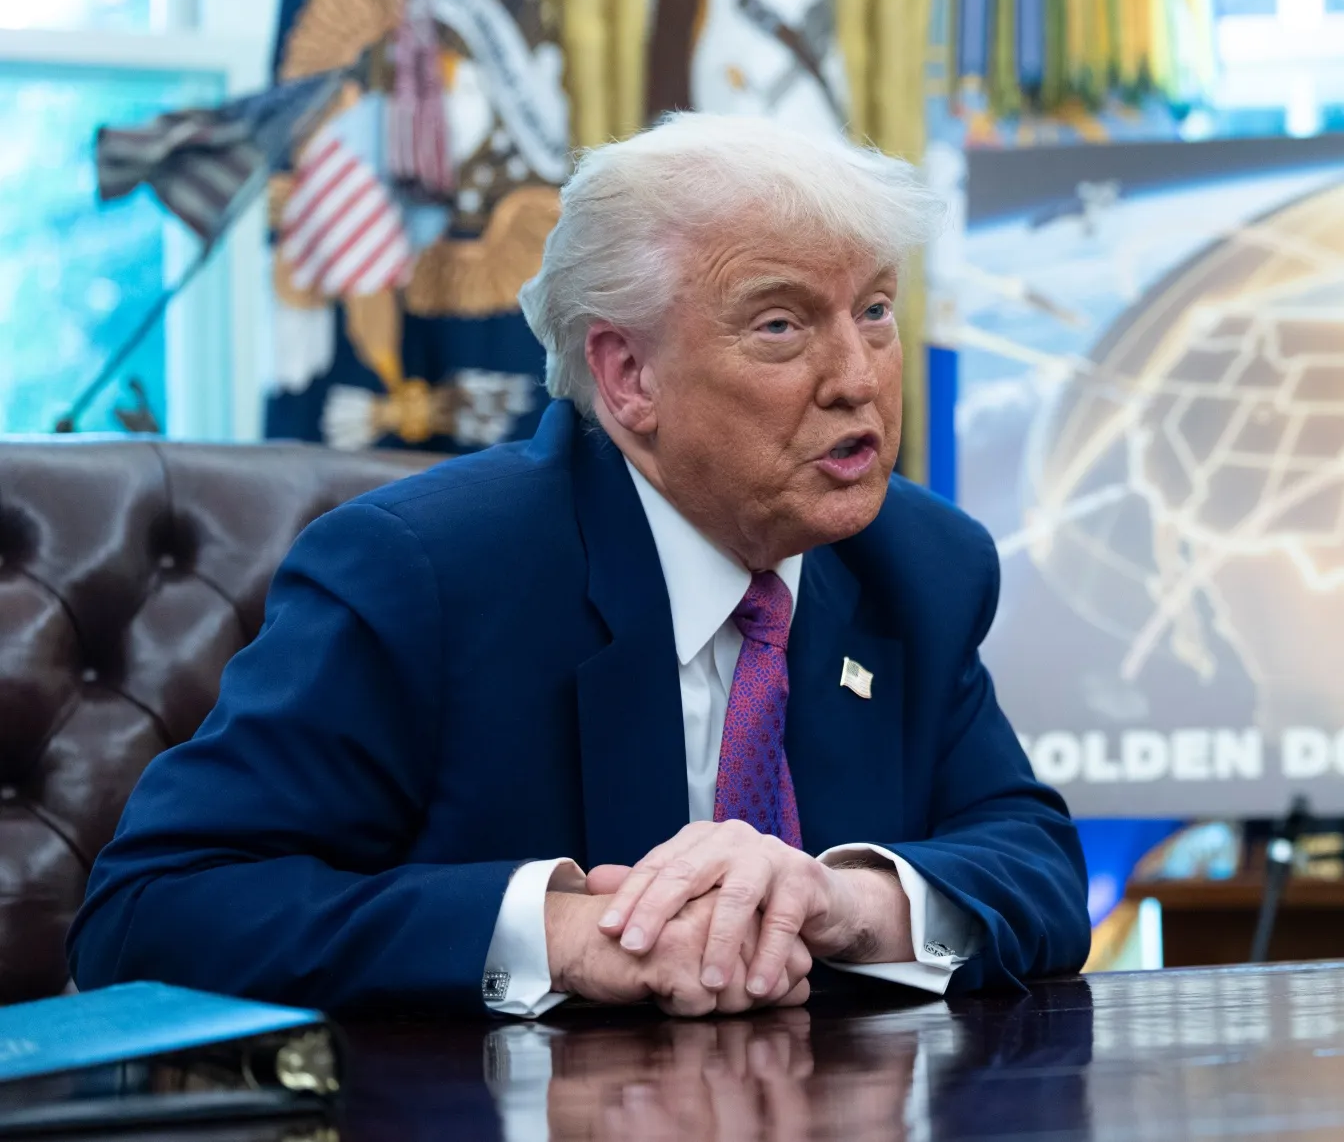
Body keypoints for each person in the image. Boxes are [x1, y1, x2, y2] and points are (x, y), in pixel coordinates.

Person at [69, 113, 1091, 1014]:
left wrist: (839, 899)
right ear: (627, 374)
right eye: (780, 325)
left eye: (873, 310)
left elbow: (1035, 866)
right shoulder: (424, 576)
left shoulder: (913, 564)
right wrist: (558, 935)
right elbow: (153, 907)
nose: (858, 378)